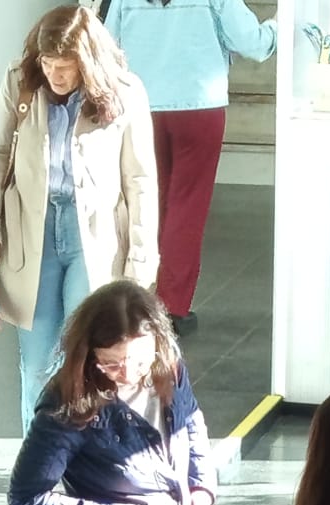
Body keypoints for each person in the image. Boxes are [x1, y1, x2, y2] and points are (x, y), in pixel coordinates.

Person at [0, 6, 160, 432]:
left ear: (87, 62)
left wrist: (141, 262)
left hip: (94, 236)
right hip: (30, 231)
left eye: (65, 66)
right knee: (36, 363)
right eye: (48, 64)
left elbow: (141, 180)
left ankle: (85, 461)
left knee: (90, 354)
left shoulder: (125, 92)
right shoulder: (20, 80)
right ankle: (36, 462)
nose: (54, 74)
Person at [7, 280, 211, 505]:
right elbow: (25, 496)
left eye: (140, 361)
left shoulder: (169, 366)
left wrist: (201, 487)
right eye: (112, 363)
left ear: (158, 342)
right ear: (89, 354)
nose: (128, 373)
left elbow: (191, 421)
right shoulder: (68, 403)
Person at [105, 0, 277, 334]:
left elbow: (107, 47)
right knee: (187, 208)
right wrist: (278, 28)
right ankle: (171, 306)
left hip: (141, 105)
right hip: (199, 106)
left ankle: (139, 294)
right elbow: (252, 43)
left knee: (146, 202)